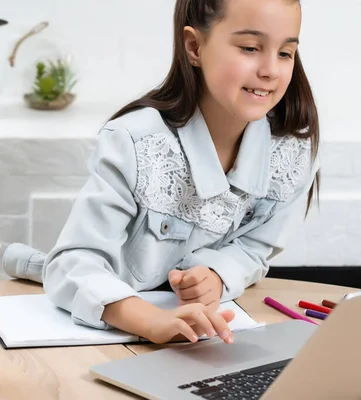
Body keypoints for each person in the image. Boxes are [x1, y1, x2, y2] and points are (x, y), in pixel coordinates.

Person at [1, 0, 320, 346]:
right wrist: (149, 320)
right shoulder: (136, 142)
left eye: (286, 53)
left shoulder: (290, 150)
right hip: (109, 326)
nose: (271, 70)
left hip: (200, 337)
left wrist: (216, 273)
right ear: (195, 46)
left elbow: (254, 248)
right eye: (250, 48)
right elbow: (74, 263)